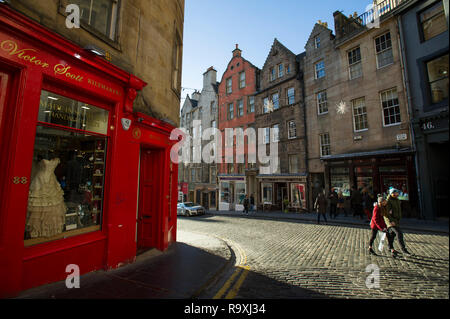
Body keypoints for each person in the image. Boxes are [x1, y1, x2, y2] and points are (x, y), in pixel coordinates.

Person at [384, 187, 411, 258]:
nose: (397, 194)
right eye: (395, 193)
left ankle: (390, 248)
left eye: (397, 192)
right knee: (399, 233)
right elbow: (387, 213)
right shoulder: (388, 201)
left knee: (391, 235)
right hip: (391, 222)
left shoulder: (397, 200)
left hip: (396, 220)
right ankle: (404, 250)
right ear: (392, 193)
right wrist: (390, 221)